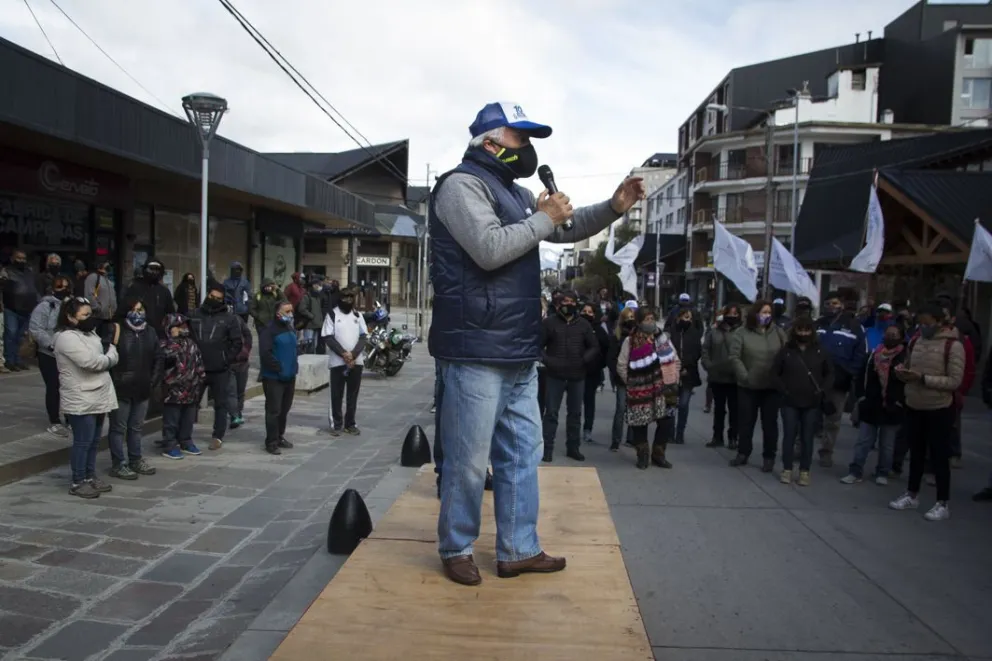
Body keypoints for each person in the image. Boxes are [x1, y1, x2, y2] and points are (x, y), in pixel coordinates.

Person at [429, 101, 644, 586]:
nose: (528, 148)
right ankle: (456, 546)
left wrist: (613, 208)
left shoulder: (517, 192)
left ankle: (517, 548)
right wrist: (544, 218)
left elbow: (564, 228)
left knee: (524, 454)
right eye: (520, 138)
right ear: (489, 143)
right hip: (476, 348)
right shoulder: (461, 187)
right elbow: (488, 250)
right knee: (466, 461)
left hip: (519, 350)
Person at [889, 302, 964, 522]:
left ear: (940, 322)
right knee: (916, 453)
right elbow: (911, 366)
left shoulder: (953, 346)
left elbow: (954, 380)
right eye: (920, 322)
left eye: (927, 322)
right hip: (915, 404)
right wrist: (903, 373)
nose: (923, 326)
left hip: (939, 407)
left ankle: (943, 502)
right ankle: (912, 494)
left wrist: (923, 379)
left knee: (939, 456)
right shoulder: (916, 341)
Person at [54, 296, 119, 498]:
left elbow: (107, 354)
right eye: (84, 315)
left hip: (99, 395)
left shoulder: (90, 333)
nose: (89, 318)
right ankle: (78, 480)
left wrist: (108, 355)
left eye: (90, 314)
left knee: (93, 441)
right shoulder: (66, 337)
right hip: (80, 397)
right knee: (83, 441)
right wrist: (109, 357)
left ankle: (90, 476)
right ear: (70, 317)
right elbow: (91, 362)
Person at [103, 297, 163, 478]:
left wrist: (152, 381)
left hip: (143, 388)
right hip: (121, 388)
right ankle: (118, 463)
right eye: (134, 310)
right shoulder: (116, 329)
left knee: (136, 428)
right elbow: (106, 357)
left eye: (141, 310)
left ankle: (136, 459)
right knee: (118, 428)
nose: (138, 314)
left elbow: (158, 358)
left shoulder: (150, 332)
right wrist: (115, 382)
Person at [841, 323, 906, 486]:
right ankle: (855, 471)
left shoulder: (904, 358)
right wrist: (861, 397)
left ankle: (882, 471)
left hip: (892, 407)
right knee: (863, 441)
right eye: (888, 334)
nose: (890, 337)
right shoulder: (873, 355)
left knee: (887, 444)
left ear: (900, 338)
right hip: (871, 405)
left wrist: (899, 402)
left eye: (894, 335)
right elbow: (862, 376)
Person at [616, 307, 680, 469]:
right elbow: (622, 365)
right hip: (640, 391)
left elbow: (674, 359)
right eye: (646, 319)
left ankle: (658, 454)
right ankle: (642, 454)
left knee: (666, 422)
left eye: (652, 318)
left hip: (663, 389)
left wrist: (673, 378)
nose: (650, 322)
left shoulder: (662, 338)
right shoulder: (630, 341)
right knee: (640, 423)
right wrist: (633, 383)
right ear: (638, 322)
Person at [772, 316, 833, 486]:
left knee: (807, 437)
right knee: (789, 436)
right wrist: (783, 390)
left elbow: (829, 374)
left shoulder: (820, 351)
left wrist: (822, 390)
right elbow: (775, 373)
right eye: (800, 330)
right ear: (795, 331)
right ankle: (787, 469)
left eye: (807, 330)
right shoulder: (786, 351)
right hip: (790, 401)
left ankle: (805, 471)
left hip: (811, 402)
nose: (803, 333)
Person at [729, 300, 788, 471]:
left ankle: (769, 456)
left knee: (770, 424)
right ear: (755, 314)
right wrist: (745, 376)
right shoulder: (742, 332)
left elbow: (787, 355)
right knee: (746, 422)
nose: (766, 316)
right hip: (748, 386)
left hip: (771, 387)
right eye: (763, 312)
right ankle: (743, 452)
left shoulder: (778, 333)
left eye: (769, 312)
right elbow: (734, 357)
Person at [541, 291, 599, 462]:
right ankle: (547, 449)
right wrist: (549, 361)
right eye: (565, 301)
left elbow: (594, 347)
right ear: (559, 303)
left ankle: (573, 448)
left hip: (577, 375)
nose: (569, 304)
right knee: (551, 413)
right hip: (554, 375)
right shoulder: (549, 323)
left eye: (572, 301)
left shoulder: (583, 325)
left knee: (575, 414)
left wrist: (583, 360)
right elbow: (537, 346)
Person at [814, 292, 868, 467]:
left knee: (833, 419)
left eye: (835, 303)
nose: (831, 306)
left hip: (839, 381)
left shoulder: (854, 326)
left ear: (842, 305)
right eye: (828, 303)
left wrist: (850, 372)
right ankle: (801, 447)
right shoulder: (817, 324)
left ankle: (826, 452)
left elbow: (861, 354)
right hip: (814, 380)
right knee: (808, 416)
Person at [188, 281, 244, 451]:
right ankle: (184, 435)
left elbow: (237, 342)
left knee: (221, 404)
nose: (213, 300)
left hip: (220, 369)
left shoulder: (229, 319)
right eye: (211, 296)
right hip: (197, 368)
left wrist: (226, 359)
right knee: (190, 403)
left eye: (218, 298)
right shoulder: (194, 315)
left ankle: (217, 436)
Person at [159, 314, 207, 460]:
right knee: (171, 420)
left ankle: (186, 441)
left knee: (188, 419)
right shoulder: (165, 344)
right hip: (173, 390)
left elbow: (198, 361)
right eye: (178, 326)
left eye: (184, 326)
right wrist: (173, 339)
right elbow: (166, 358)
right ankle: (169, 445)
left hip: (191, 388)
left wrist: (201, 377)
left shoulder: (191, 343)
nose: (182, 329)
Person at [29, 276, 72, 438]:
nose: (64, 289)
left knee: (68, 386)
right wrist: (51, 344)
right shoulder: (45, 306)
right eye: (60, 287)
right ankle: (55, 421)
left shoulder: (71, 304)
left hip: (68, 353)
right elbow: (36, 329)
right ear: (53, 288)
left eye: (66, 286)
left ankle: (70, 419)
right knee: (54, 387)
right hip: (48, 353)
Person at [321, 285, 367, 436]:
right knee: (336, 394)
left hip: (356, 362)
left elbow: (363, 336)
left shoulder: (358, 316)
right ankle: (336, 424)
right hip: (337, 362)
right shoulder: (332, 315)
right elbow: (328, 337)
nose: (347, 300)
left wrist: (353, 355)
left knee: (352, 395)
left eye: (350, 298)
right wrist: (343, 354)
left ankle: (350, 423)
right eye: (344, 298)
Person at [258, 301, 299, 455]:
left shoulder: (289, 328)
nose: (290, 314)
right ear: (278, 313)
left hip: (290, 376)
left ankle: (280, 436)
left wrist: (293, 367)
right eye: (287, 311)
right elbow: (265, 354)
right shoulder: (269, 331)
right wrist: (278, 368)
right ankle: (271, 441)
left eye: (291, 311)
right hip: (274, 378)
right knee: (273, 410)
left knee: (284, 410)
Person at [702, 305, 740, 449]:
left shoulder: (741, 332)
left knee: (734, 410)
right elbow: (705, 350)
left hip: (735, 378)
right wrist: (708, 366)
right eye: (730, 313)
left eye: (735, 313)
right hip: (717, 376)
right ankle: (717, 437)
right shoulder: (714, 332)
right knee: (719, 410)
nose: (732, 316)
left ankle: (733, 437)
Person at [668, 306, 703, 445]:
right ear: (678, 318)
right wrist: (675, 367)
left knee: (683, 404)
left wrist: (685, 366)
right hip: (672, 373)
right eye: (684, 317)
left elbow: (697, 353)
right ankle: (670, 432)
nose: (687, 320)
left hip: (688, 373)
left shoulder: (694, 334)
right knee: (671, 404)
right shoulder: (672, 333)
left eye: (689, 318)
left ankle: (680, 433)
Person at [3, 250, 39, 371]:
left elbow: (34, 288)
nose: (21, 261)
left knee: (20, 337)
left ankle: (18, 360)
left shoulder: (29, 272)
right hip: (11, 308)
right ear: (12, 259)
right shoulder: (6, 271)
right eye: (18, 258)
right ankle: (9, 360)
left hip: (27, 309)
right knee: (11, 334)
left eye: (23, 258)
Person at [120, 260, 175, 339]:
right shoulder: (135, 288)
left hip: (159, 335)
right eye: (151, 269)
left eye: (157, 270)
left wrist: (172, 327)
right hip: (137, 335)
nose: (154, 272)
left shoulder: (164, 291)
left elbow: (171, 314)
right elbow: (123, 310)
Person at [579, 302, 609, 444]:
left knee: (589, 402)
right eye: (584, 311)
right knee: (574, 403)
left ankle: (587, 429)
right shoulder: (575, 327)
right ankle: (573, 429)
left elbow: (606, 349)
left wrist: (599, 364)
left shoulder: (599, 331)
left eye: (590, 312)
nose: (586, 314)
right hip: (575, 371)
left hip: (592, 372)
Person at [606, 307, 636, 452]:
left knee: (634, 409)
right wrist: (617, 374)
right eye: (628, 317)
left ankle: (631, 438)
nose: (630, 319)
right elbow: (611, 358)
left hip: (637, 378)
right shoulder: (616, 336)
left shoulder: (639, 335)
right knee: (621, 408)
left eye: (632, 317)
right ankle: (615, 440)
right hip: (621, 377)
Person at [226, 310, 253, 429]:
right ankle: (234, 415)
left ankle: (238, 411)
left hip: (242, 362)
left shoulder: (237, 319)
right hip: (228, 363)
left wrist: (245, 350)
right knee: (231, 391)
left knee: (240, 390)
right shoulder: (221, 322)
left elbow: (248, 335)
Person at [295, 277, 324, 354]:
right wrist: (311, 316)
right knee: (308, 343)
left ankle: (311, 358)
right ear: (314, 285)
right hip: (310, 324)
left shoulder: (317, 296)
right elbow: (302, 309)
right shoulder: (307, 296)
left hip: (317, 324)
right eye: (318, 284)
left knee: (314, 344)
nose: (319, 286)